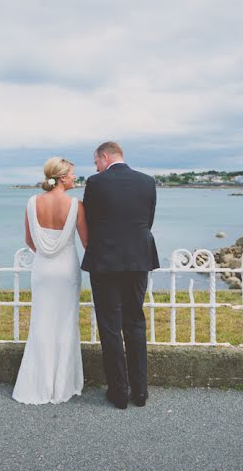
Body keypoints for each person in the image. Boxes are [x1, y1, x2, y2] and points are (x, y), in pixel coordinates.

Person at [81, 141, 159, 409]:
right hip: (138, 258)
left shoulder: (95, 183)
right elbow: (148, 221)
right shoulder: (147, 182)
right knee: (135, 321)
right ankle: (140, 391)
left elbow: (90, 220)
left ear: (104, 157)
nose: (96, 167)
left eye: (96, 162)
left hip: (105, 260)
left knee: (110, 325)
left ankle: (118, 392)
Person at [12, 157, 88, 404]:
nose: (76, 178)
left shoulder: (33, 202)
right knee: (66, 322)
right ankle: (62, 385)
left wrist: (46, 255)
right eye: (73, 175)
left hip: (42, 269)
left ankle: (38, 384)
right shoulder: (76, 205)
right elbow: (86, 242)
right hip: (66, 270)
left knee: (41, 321)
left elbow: (29, 240)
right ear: (63, 177)